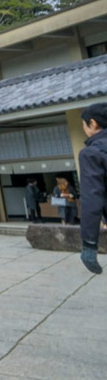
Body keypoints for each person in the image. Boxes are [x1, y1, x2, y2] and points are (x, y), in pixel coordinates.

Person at [76, 103, 106, 274]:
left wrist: (89, 244)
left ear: (93, 123)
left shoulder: (92, 153)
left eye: (83, 124)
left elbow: (92, 199)